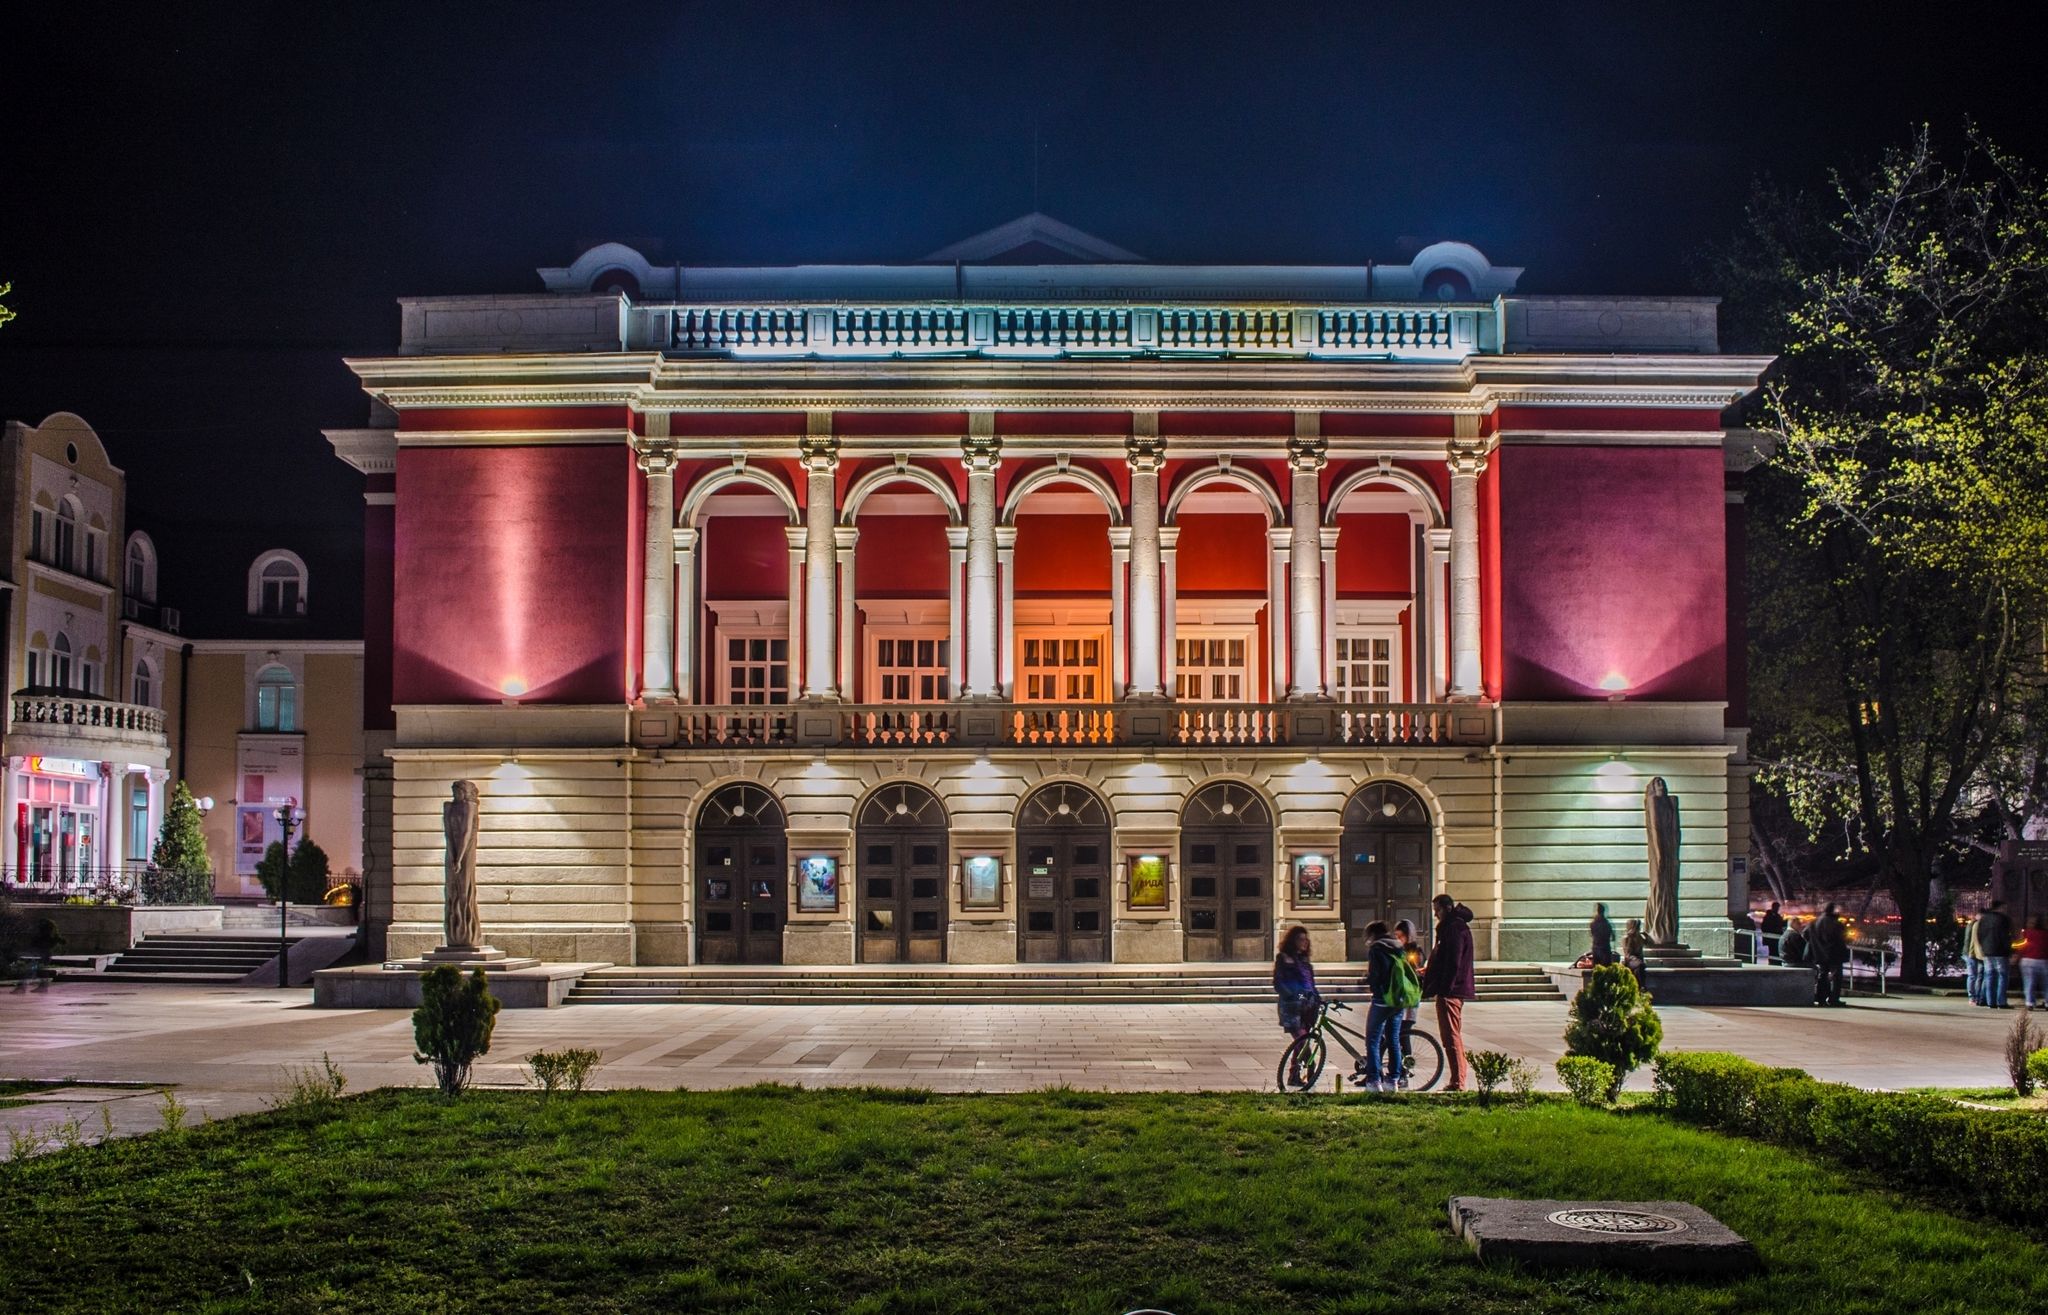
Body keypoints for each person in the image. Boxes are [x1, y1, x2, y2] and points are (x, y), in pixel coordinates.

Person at [1421, 892, 1477, 1091]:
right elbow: (1445, 959)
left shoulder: (1453, 929)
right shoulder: (1454, 927)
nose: (1435, 914)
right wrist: (1429, 970)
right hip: (1454, 989)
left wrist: (1444, 988)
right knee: (1452, 1035)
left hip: (1451, 991)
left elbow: (1452, 962)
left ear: (1447, 908)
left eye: (1437, 910)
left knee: (1450, 1036)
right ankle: (1458, 1078)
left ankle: (1457, 1082)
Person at [1362, 920, 1416, 1092]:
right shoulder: (1397, 947)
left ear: (1372, 934)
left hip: (1382, 999)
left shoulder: (1377, 948)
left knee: (1372, 1040)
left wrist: (1367, 981)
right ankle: (1393, 1080)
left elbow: (1377, 975)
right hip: (1398, 1000)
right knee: (1393, 1039)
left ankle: (1373, 1081)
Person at [1272, 925, 1319, 1039]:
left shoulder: (1304, 960)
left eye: (1306, 939)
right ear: (1293, 941)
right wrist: (1292, 995)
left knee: (1301, 1044)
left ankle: (1296, 1058)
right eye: (1301, 939)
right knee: (1302, 1042)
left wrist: (1316, 998)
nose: (1304, 942)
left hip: (1308, 1006)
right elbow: (1278, 981)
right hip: (1292, 1005)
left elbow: (1310, 983)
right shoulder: (1283, 958)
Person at [1976, 901, 2015, 1009]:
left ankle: (1990, 1002)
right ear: (2000, 907)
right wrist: (2010, 951)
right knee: (2002, 976)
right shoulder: (2003, 919)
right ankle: (2001, 1002)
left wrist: (1983, 947)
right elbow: (2005, 937)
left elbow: (1979, 935)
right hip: (2000, 951)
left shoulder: (1984, 919)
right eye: (2004, 907)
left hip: (1987, 952)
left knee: (1989, 976)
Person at [1809, 904, 1850, 1006]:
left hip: (1820, 954)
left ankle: (1821, 998)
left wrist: (1816, 946)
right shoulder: (1835, 923)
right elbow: (1843, 937)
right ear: (1833, 910)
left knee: (1822, 975)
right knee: (1837, 977)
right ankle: (1834, 999)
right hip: (1834, 954)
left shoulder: (1815, 922)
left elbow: (1806, 934)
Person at [2018, 916, 2048, 1010]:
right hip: (2043, 961)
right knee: (2046, 984)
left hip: (2027, 960)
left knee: (2029, 983)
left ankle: (2030, 1002)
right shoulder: (2046, 934)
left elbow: (2020, 945)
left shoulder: (2026, 933)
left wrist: (2017, 954)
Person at [1963, 913, 1986, 1005]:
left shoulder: (1971, 925)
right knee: (1974, 975)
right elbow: (1971, 941)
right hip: (1972, 953)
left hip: (1971, 953)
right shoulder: (1975, 926)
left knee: (1974, 975)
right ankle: (1973, 997)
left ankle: (1974, 997)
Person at [1621, 917, 1648, 987]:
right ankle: (1641, 986)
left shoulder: (1639, 937)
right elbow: (1628, 954)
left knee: (1639, 969)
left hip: (1638, 961)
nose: (1638, 929)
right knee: (1640, 966)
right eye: (1637, 927)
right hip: (1631, 961)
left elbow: (1649, 943)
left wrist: (1646, 936)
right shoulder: (1627, 938)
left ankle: (1641, 986)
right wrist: (1636, 960)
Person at [1589, 903, 1616, 967]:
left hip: (1596, 947)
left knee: (1596, 968)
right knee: (1606, 968)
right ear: (1604, 911)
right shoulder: (1607, 923)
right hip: (1605, 948)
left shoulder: (1593, 923)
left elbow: (1592, 934)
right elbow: (1612, 937)